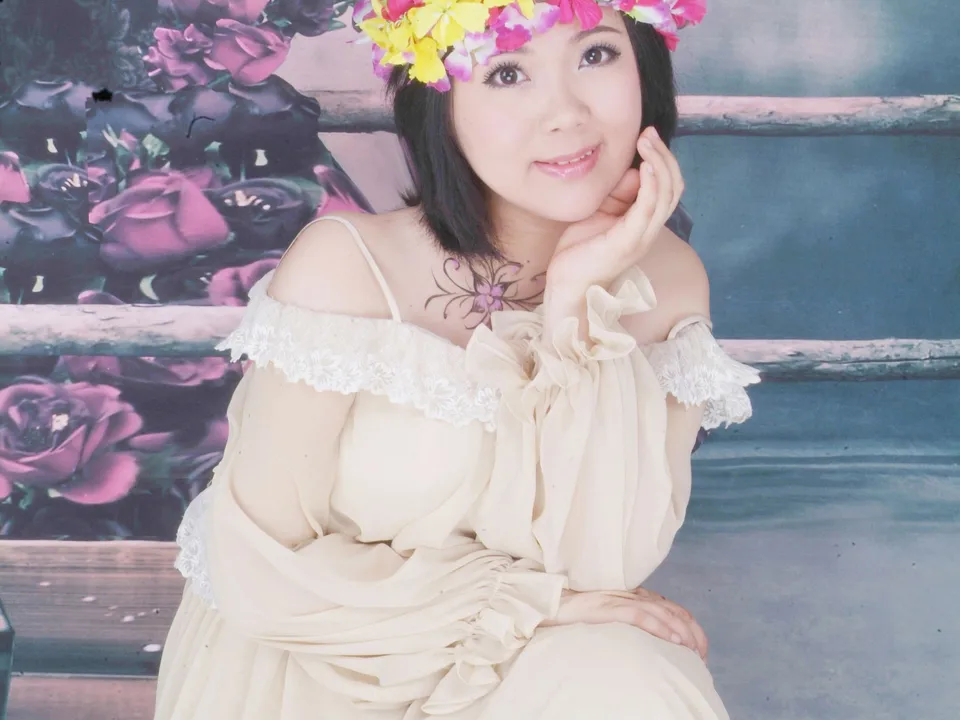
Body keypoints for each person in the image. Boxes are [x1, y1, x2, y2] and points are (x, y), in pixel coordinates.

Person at [155, 0, 762, 717]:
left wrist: (575, 308)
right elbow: (255, 568)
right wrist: (524, 604)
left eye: (596, 55)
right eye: (507, 74)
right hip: (327, 669)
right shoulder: (348, 269)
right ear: (439, 101)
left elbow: (605, 566)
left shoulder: (668, 280)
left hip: (530, 671)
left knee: (629, 679)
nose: (566, 115)